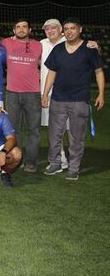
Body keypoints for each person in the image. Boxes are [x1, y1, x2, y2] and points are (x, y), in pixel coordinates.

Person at [42, 18, 105, 181]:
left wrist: (101, 93)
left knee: (77, 137)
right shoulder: (58, 49)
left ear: (80, 29)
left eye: (73, 28)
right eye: (66, 28)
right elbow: (52, 72)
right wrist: (45, 94)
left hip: (79, 100)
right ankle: (55, 163)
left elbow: (98, 72)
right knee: (54, 134)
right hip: (58, 99)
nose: (69, 31)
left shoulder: (89, 49)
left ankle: (74, 168)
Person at [0, 19, 42, 173]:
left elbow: (56, 46)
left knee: (33, 130)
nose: (21, 29)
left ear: (29, 29)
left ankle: (31, 162)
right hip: (12, 93)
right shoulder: (6, 43)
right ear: (14, 30)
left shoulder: (39, 45)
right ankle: (16, 159)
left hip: (32, 93)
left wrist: (91, 44)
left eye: (24, 27)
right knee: (14, 130)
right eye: (18, 27)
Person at [40, 18, 68, 170]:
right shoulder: (42, 44)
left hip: (66, 94)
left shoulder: (68, 42)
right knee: (54, 128)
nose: (50, 31)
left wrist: (95, 45)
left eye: (53, 28)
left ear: (60, 29)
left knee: (67, 128)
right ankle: (61, 157)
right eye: (47, 29)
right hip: (46, 92)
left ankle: (64, 158)